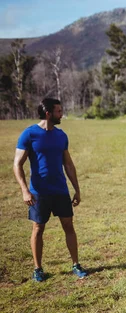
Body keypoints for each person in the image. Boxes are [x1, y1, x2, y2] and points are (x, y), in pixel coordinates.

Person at [13, 98, 87, 282]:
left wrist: (76, 189)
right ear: (48, 113)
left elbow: (68, 164)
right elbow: (17, 165)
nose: (61, 114)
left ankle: (76, 264)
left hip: (60, 190)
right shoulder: (29, 134)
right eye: (59, 111)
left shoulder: (61, 136)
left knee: (69, 226)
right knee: (38, 228)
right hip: (38, 192)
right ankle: (38, 268)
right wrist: (24, 190)